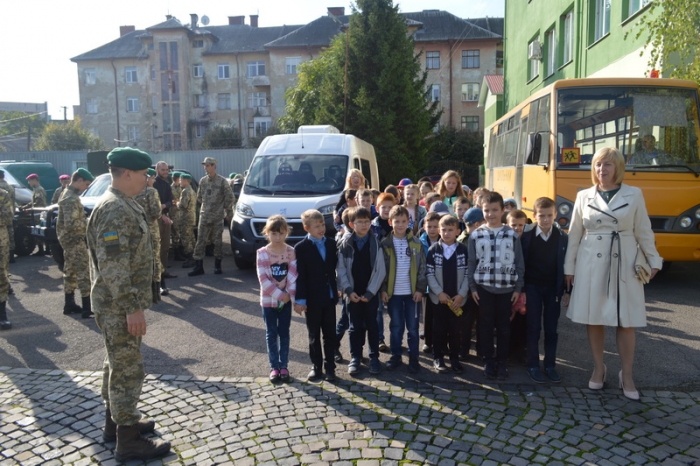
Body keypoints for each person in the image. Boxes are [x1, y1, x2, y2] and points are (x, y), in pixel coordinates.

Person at [86, 147, 170, 461]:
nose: (148, 181)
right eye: (145, 175)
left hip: (118, 303)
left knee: (115, 364)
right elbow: (113, 266)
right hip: (118, 305)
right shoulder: (114, 209)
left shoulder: (124, 203)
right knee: (127, 369)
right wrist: (131, 307)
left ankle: (117, 424)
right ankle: (128, 441)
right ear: (127, 174)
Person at [564, 147, 662, 400]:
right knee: (593, 317)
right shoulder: (584, 196)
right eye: (597, 165)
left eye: (607, 165)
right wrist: (569, 268)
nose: (601, 170)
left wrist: (654, 260)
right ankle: (599, 368)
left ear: (618, 168)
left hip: (625, 262)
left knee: (626, 320)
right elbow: (574, 234)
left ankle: (626, 374)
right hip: (591, 263)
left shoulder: (634, 194)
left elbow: (644, 230)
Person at [468, 191, 525, 381]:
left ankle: (502, 361)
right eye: (487, 210)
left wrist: (518, 288)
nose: (490, 214)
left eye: (494, 210)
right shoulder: (476, 235)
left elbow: (519, 262)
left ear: (502, 211)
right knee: (484, 326)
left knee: (503, 326)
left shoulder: (511, 234)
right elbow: (472, 262)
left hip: (506, 289)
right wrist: (473, 288)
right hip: (483, 288)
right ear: (481, 210)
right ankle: (488, 360)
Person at [521, 197, 569, 384]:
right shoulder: (526, 236)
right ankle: (532, 364)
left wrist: (567, 291)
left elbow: (567, 266)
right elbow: (521, 263)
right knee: (533, 327)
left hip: (553, 289)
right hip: (532, 287)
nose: (546, 219)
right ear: (534, 216)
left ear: (555, 214)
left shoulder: (563, 238)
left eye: (550, 215)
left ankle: (550, 365)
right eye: (541, 215)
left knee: (551, 329)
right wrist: (522, 289)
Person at [337, 206, 386, 376]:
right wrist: (348, 290)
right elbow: (341, 270)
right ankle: (355, 357)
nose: (364, 225)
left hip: (369, 294)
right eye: (360, 222)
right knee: (354, 327)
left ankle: (374, 357)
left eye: (367, 221)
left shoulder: (375, 243)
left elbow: (380, 270)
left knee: (372, 325)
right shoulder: (345, 244)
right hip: (353, 294)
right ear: (352, 224)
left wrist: (371, 292)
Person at [294, 209, 339, 382]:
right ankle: (316, 366)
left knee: (330, 334)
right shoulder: (301, 248)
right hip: (312, 300)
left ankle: (330, 368)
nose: (321, 229)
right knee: (314, 335)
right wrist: (301, 299)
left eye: (322, 225)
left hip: (329, 297)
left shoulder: (331, 243)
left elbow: (336, 267)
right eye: (316, 226)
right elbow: (301, 276)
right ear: (307, 228)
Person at [381, 205, 427, 373]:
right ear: (390, 222)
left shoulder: (416, 243)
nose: (400, 225)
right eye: (396, 221)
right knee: (396, 325)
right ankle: (396, 354)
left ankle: (414, 356)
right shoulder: (385, 244)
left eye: (403, 221)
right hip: (393, 294)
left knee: (413, 327)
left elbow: (422, 267)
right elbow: (381, 270)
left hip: (412, 293)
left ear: (409, 221)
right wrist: (383, 289)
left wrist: (420, 289)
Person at [256, 215, 298, 383]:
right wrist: (281, 295)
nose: (278, 237)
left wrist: (289, 295)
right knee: (271, 333)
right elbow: (263, 280)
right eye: (274, 233)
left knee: (284, 333)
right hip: (269, 302)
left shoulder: (290, 252)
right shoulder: (262, 253)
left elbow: (293, 275)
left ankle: (284, 365)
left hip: (286, 301)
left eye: (281, 233)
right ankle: (274, 366)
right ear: (267, 233)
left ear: (286, 233)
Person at [426, 215, 470, 373]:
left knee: (455, 330)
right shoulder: (433, 250)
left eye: (450, 230)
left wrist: (461, 294)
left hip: (457, 299)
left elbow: (467, 275)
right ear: (438, 230)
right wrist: (439, 293)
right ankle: (438, 357)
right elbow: (429, 274)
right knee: (439, 329)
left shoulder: (463, 250)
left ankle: (454, 358)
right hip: (440, 300)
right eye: (443, 230)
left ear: (458, 231)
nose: (446, 233)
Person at [57, 168, 95, 318]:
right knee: (84, 272)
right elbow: (73, 225)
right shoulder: (71, 199)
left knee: (70, 272)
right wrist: (89, 222)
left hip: (68, 240)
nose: (86, 187)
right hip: (75, 239)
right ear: (79, 180)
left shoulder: (67, 194)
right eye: (86, 184)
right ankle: (87, 307)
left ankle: (69, 303)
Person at [188, 157, 235, 276]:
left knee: (217, 241)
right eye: (205, 165)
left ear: (214, 166)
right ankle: (199, 267)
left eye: (208, 165)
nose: (205, 167)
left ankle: (217, 266)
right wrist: (206, 206)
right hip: (205, 215)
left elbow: (230, 197)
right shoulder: (203, 181)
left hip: (217, 216)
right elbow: (199, 197)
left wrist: (226, 211)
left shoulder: (222, 181)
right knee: (200, 240)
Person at [370, 192, 397, 352]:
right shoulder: (373, 227)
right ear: (377, 208)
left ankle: (396, 339)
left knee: (394, 308)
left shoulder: (398, 224)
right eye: (383, 207)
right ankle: (380, 339)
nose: (387, 210)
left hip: (395, 272)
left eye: (390, 207)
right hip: (378, 272)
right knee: (378, 309)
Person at [457, 207, 485, 361]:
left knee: (482, 320)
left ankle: (481, 349)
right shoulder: (463, 241)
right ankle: (464, 348)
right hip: (467, 287)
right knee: (466, 321)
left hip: (483, 285)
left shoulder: (483, 236)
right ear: (476, 224)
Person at [135, 169, 165, 295]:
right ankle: (157, 287)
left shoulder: (135, 191)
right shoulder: (152, 191)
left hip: (138, 229)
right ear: (148, 178)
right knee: (155, 258)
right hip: (151, 228)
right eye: (153, 178)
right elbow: (156, 212)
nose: (154, 180)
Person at [419, 211, 444, 353]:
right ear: (424, 226)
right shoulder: (420, 241)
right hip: (427, 285)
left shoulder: (445, 240)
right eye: (430, 226)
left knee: (441, 315)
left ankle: (441, 341)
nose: (433, 229)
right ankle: (428, 341)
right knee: (428, 315)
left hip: (442, 284)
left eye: (436, 226)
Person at [154, 161, 176, 282]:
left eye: (167, 170)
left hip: (165, 218)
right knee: (156, 247)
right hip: (156, 218)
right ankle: (157, 274)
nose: (166, 172)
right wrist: (161, 211)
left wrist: (164, 206)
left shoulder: (167, 184)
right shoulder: (153, 184)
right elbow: (152, 204)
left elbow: (170, 201)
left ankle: (164, 271)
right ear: (157, 170)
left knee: (165, 246)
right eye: (163, 170)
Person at [23, 173, 48, 255]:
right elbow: (33, 202)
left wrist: (29, 209)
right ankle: (43, 249)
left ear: (35, 180)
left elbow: (38, 202)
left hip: (38, 213)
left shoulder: (39, 189)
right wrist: (26, 206)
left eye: (30, 181)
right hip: (37, 212)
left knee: (38, 231)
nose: (29, 183)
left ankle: (42, 250)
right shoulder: (36, 189)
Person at [0, 185, 13, 330]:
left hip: (1, 243)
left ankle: (2, 315)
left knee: (2, 277)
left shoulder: (3, 194)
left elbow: (7, 216)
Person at [178, 174, 197, 267]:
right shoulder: (192, 190)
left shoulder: (185, 191)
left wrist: (177, 203)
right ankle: (195, 256)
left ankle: (191, 258)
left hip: (185, 218)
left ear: (186, 181)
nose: (180, 182)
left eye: (181, 180)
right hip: (191, 217)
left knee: (186, 238)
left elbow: (183, 205)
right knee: (191, 237)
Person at [0, 170, 16, 263]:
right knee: (10, 233)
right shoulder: (10, 187)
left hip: (1, 217)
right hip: (10, 214)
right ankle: (11, 255)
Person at [170, 172, 184, 261]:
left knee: (180, 233)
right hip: (174, 213)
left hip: (179, 213)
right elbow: (176, 200)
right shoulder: (172, 188)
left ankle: (181, 252)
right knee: (176, 234)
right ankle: (177, 254)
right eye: (180, 179)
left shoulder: (179, 187)